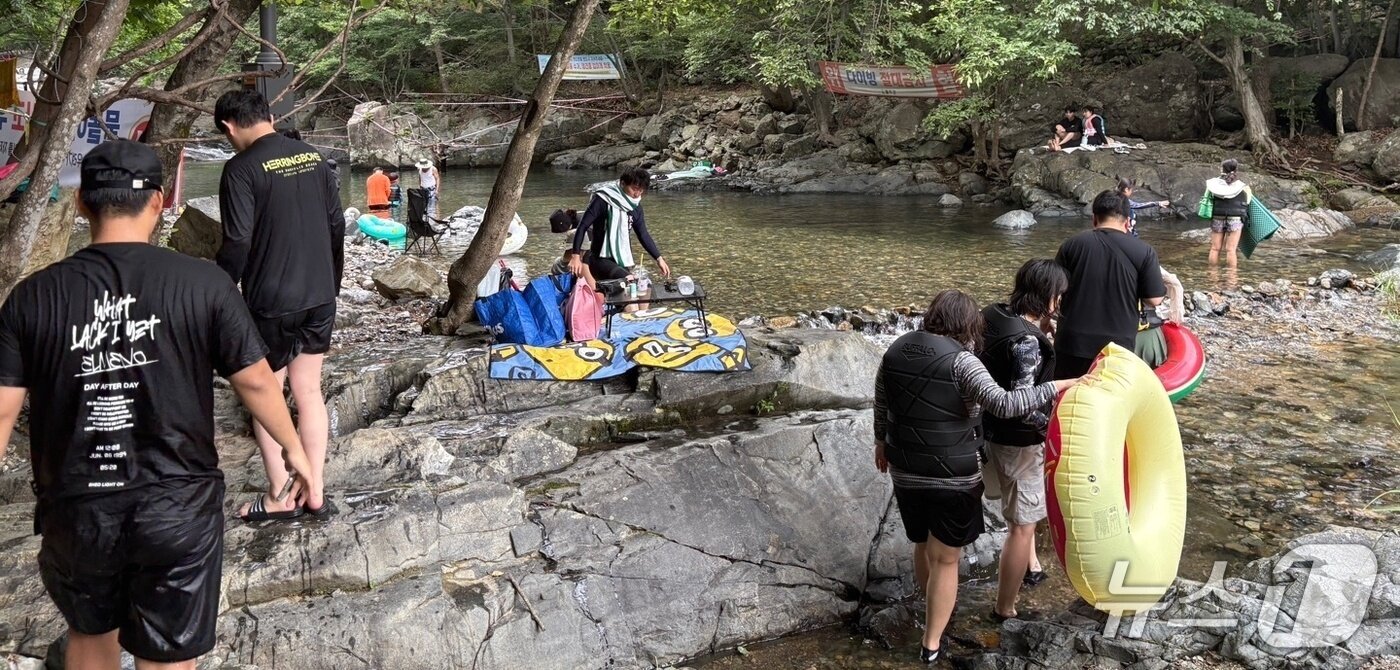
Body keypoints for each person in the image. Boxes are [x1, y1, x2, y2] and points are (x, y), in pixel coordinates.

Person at [0, 140, 319, 670]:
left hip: (77, 508)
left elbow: (3, 411)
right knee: (169, 658)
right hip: (177, 506)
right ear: (161, 201)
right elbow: (259, 383)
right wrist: (294, 449)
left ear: (82, 204)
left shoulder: (33, 296)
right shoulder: (206, 284)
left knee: (88, 636)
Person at [874, 290, 1080, 663]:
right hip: (953, 475)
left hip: (905, 471)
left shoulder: (896, 349)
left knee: (922, 545)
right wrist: (1058, 385)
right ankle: (932, 642)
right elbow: (1004, 404)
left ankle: (935, 609)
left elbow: (882, 400)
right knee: (947, 559)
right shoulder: (963, 362)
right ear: (966, 326)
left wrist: (879, 443)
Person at [214, 89, 343, 521]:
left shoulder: (240, 170)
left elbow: (237, 240)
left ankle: (279, 496)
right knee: (309, 391)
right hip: (320, 294)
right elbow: (335, 225)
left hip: (271, 301)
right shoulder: (312, 157)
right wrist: (333, 282)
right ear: (269, 115)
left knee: (265, 394)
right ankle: (317, 491)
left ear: (228, 127)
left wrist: (219, 285)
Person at [978, 259, 1068, 622]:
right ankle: (1004, 608)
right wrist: (1055, 429)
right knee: (1023, 524)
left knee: (1017, 510)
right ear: (1048, 296)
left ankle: (1032, 566)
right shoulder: (1026, 342)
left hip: (986, 433)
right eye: (1058, 295)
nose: (1061, 300)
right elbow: (1021, 403)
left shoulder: (993, 314)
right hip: (1019, 444)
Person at [1053, 190, 1166, 379]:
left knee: (1066, 399)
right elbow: (1154, 299)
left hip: (1071, 342)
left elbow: (1053, 291)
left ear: (1094, 219)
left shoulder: (1071, 245)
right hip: (1118, 346)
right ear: (1128, 221)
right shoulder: (1144, 251)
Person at [567, 168, 673, 291]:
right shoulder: (602, 199)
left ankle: (635, 310)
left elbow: (643, 234)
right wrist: (575, 256)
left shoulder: (635, 207)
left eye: (641, 190)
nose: (637, 194)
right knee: (630, 284)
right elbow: (582, 226)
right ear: (623, 183)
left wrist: (659, 258)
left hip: (621, 261)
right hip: (599, 259)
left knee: (645, 287)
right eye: (634, 188)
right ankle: (629, 308)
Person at [1203, 158, 1252, 268]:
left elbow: (1208, 198)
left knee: (1215, 248)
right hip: (1235, 219)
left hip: (1217, 217)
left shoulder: (1213, 184)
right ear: (1236, 169)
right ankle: (1231, 279)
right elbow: (1248, 201)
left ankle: (1213, 276)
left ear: (1222, 169)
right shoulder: (1243, 186)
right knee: (1231, 250)